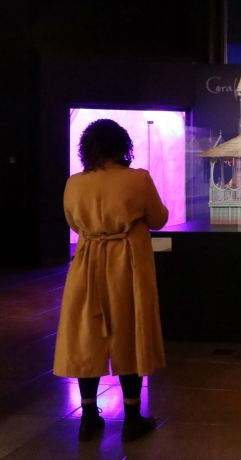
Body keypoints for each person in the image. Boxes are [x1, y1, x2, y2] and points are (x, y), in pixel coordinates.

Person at [53, 119, 169, 442]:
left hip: (86, 265)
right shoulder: (138, 179)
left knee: (86, 335)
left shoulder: (74, 184)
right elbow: (158, 219)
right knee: (128, 333)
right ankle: (133, 418)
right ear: (122, 146)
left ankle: (89, 417)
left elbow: (75, 225)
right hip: (127, 266)